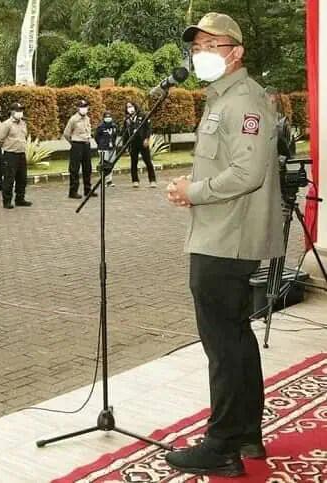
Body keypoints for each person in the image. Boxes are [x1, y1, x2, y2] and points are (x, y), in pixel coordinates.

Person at [164, 12, 284, 478]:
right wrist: (193, 185)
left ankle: (221, 446)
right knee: (235, 336)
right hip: (221, 232)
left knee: (223, 343)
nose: (201, 55)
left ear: (235, 53)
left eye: (211, 45)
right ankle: (248, 434)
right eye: (196, 47)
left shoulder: (244, 102)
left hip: (226, 237)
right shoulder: (223, 99)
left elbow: (246, 174)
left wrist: (191, 191)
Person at [0, 102, 32, 209]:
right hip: (10, 154)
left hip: (21, 154)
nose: (20, 113)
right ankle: (7, 201)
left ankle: (20, 199)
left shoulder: (23, 123)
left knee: (22, 178)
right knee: (9, 178)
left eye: (21, 110)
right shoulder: (6, 124)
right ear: (12, 112)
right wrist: (8, 148)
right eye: (17, 110)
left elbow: (24, 136)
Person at [64, 99, 94, 198]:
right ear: (78, 108)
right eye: (82, 107)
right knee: (74, 169)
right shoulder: (73, 119)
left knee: (87, 168)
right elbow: (66, 134)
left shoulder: (87, 119)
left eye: (85, 107)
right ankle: (73, 191)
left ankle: (88, 190)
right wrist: (73, 142)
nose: (84, 109)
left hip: (86, 144)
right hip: (77, 144)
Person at [123, 102, 157, 188]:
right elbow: (125, 134)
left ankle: (152, 180)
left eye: (131, 106)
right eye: (128, 107)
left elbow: (148, 128)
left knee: (148, 161)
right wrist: (125, 147)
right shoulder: (127, 120)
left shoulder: (143, 115)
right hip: (133, 143)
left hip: (143, 142)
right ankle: (135, 180)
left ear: (135, 106)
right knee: (133, 162)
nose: (129, 108)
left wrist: (147, 139)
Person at [95, 110, 118, 188]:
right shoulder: (100, 126)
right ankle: (103, 180)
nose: (108, 118)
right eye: (106, 117)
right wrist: (102, 144)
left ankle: (109, 181)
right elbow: (96, 137)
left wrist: (112, 144)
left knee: (110, 164)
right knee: (104, 164)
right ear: (104, 118)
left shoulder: (114, 126)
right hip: (103, 148)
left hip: (112, 148)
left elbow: (115, 136)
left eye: (109, 117)